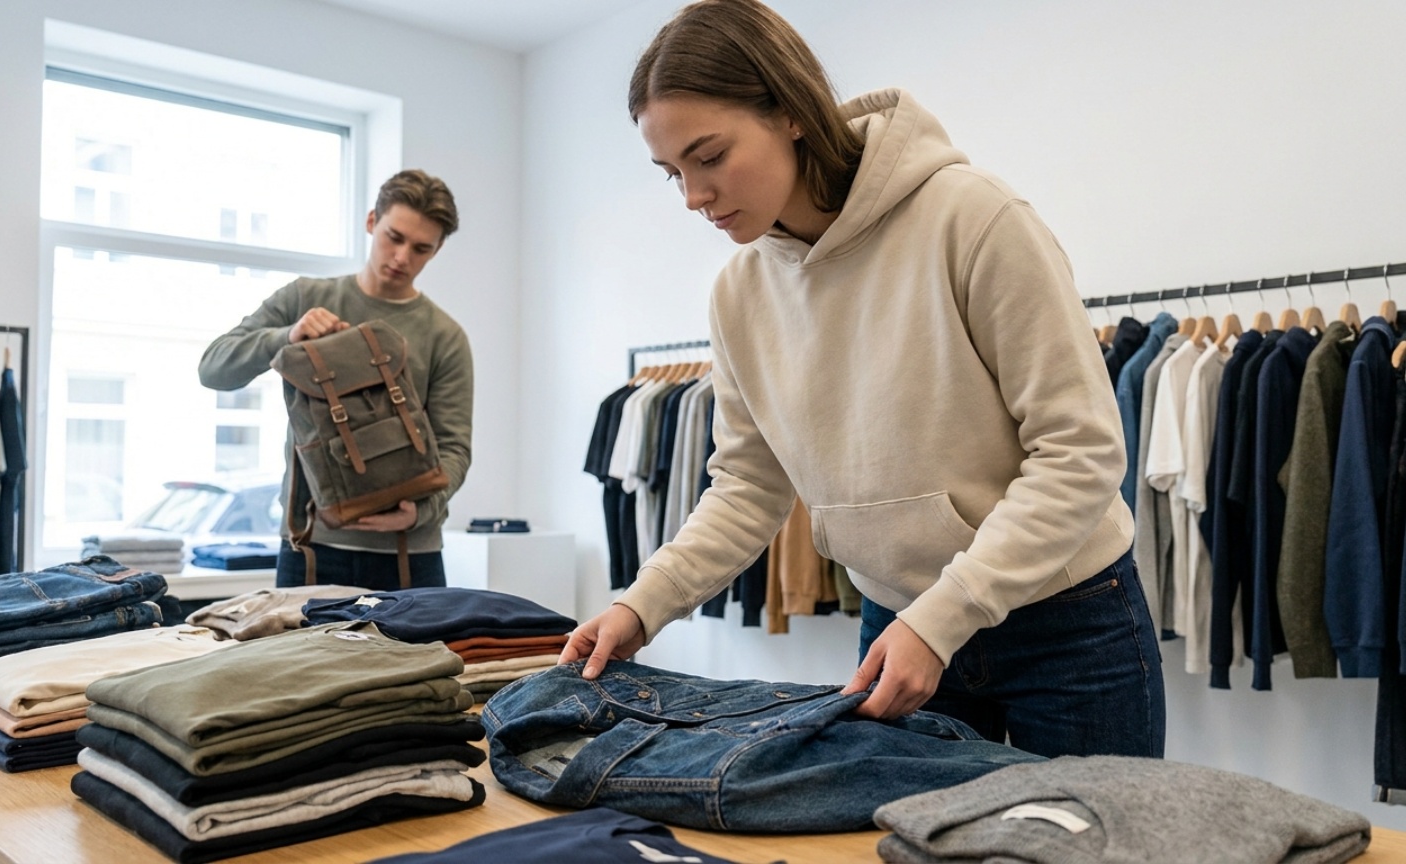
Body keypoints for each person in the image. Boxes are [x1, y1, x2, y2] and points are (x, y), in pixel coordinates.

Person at [558, 0, 1164, 759]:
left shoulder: (973, 218)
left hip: (1063, 620)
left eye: (709, 157)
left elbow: (1081, 457)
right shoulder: (739, 293)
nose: (692, 196)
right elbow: (748, 485)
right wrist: (641, 607)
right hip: (898, 620)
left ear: (790, 112)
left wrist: (943, 617)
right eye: (671, 171)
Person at [199, 169, 473, 591]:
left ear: (435, 252)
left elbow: (454, 448)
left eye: (421, 248)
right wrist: (286, 337)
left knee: (425, 662)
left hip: (410, 554)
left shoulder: (445, 335)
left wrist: (421, 513)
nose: (402, 257)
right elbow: (213, 368)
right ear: (370, 222)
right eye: (393, 237)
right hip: (310, 547)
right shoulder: (304, 298)